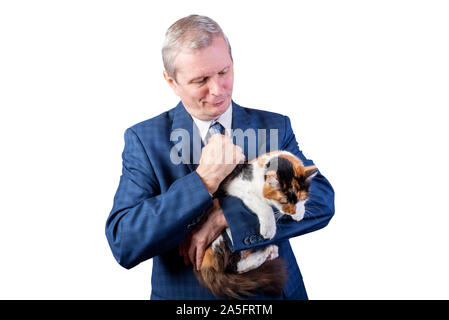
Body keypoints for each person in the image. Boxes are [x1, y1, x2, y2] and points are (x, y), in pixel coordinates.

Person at [105, 14, 335, 300]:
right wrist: (202, 182)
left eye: (224, 72)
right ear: (171, 81)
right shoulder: (144, 140)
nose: (217, 90)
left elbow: (323, 200)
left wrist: (226, 216)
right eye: (200, 79)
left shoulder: (273, 127)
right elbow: (124, 241)